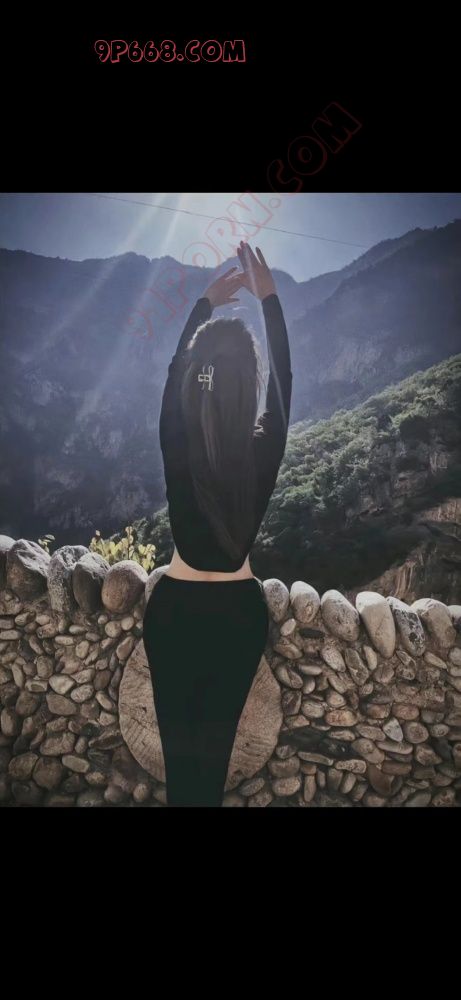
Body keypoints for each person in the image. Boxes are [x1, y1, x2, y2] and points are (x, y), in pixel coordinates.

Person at [142, 242, 293, 806]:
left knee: (181, 775)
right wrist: (269, 300)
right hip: (237, 617)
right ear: (250, 386)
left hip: (174, 614)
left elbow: (173, 379)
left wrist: (203, 305)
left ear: (192, 385)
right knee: (210, 773)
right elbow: (284, 382)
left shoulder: (176, 439)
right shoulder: (261, 451)